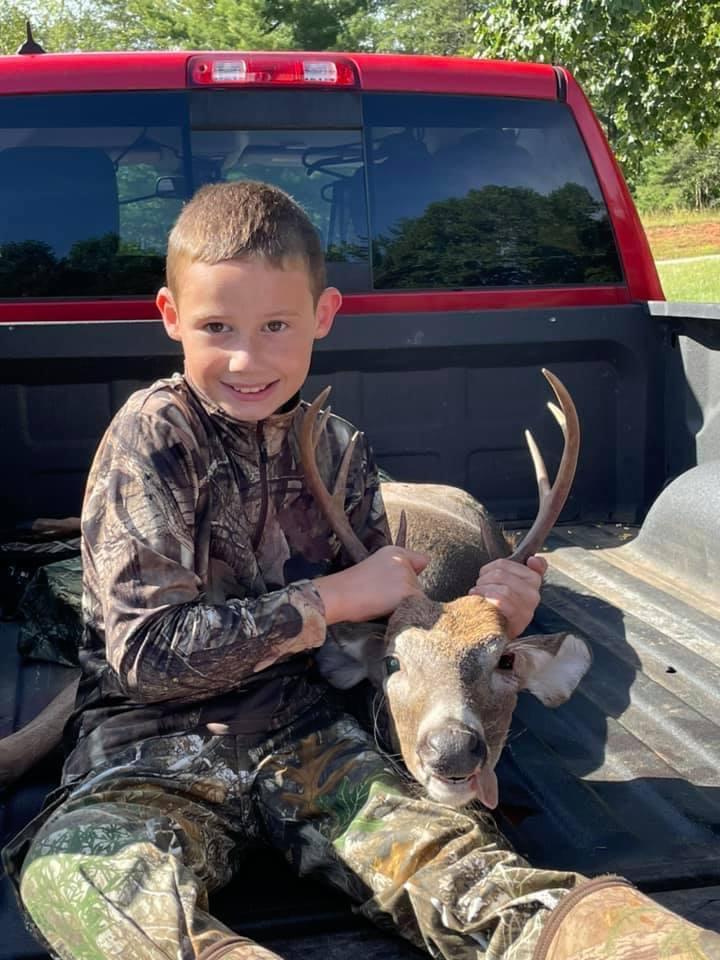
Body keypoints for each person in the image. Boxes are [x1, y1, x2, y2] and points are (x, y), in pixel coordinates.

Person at [7, 181, 718, 960]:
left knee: (460, 867)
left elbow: (388, 641)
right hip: (147, 751)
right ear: (172, 318)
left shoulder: (339, 449)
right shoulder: (152, 437)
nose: (247, 357)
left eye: (277, 324)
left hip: (308, 740)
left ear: (324, 314)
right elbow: (143, 658)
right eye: (218, 326)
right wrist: (327, 598)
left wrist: (484, 620)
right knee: (80, 874)